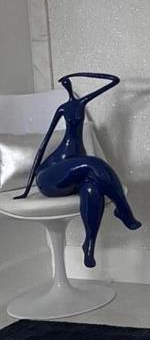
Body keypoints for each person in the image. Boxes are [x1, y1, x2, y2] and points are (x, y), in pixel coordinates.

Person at [15, 72, 141, 266]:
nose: (67, 84)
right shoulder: (62, 108)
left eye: (69, 81)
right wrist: (26, 189)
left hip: (74, 174)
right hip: (49, 176)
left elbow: (113, 81)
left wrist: (79, 74)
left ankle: (89, 245)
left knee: (92, 188)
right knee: (92, 163)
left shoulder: (82, 102)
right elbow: (43, 146)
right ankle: (124, 212)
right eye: (64, 82)